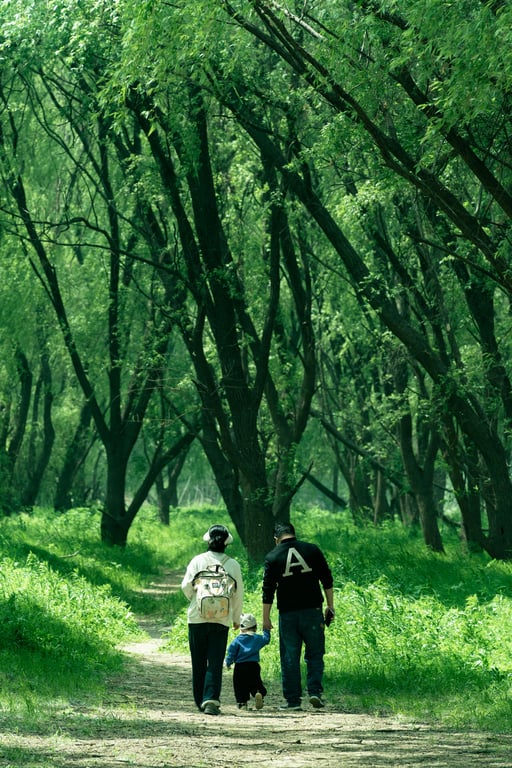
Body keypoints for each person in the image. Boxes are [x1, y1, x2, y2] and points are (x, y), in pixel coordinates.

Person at [262, 522, 334, 711]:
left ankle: (293, 700)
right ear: (293, 533)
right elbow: (326, 578)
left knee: (290, 657)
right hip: (313, 611)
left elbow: (268, 590)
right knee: (315, 653)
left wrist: (266, 618)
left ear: (276, 539)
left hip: (288, 614)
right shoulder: (312, 550)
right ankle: (315, 692)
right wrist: (330, 605)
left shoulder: (273, 556)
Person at [181, 524, 243, 715]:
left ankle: (200, 699)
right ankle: (211, 699)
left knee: (198, 661)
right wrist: (235, 619)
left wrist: (194, 600)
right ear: (227, 543)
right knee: (215, 661)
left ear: (208, 540)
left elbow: (185, 586)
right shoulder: (232, 564)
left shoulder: (197, 560)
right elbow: (238, 594)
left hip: (197, 618)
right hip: (221, 619)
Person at [225, 613, 270, 710]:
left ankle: (242, 703)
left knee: (240, 685)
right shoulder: (257, 638)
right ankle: (258, 693)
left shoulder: (237, 640)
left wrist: (228, 662)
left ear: (241, 628)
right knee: (255, 681)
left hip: (240, 667)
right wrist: (266, 629)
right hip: (254, 665)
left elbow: (231, 652)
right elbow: (266, 639)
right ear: (255, 627)